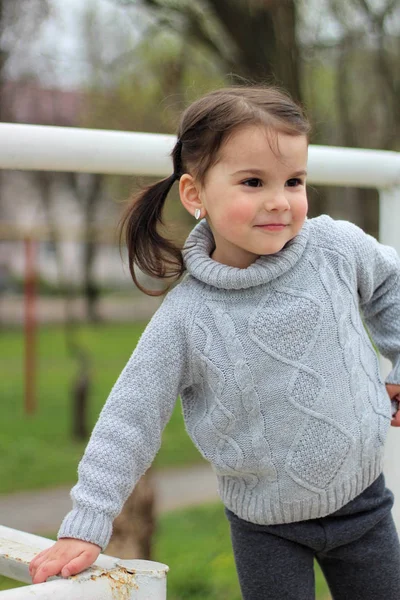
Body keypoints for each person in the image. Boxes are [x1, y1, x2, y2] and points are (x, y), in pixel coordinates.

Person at [29, 86, 400, 599]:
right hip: (266, 530)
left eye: (294, 180)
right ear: (195, 193)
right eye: (253, 181)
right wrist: (87, 519)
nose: (279, 200)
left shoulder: (336, 249)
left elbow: (390, 284)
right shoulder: (187, 317)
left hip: (365, 506)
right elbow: (130, 416)